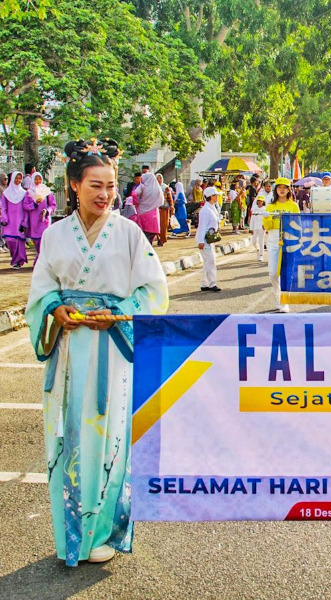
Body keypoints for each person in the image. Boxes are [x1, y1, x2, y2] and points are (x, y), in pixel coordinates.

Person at [25, 138, 168, 566]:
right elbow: (41, 291)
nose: (104, 194)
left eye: (109, 185)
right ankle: (71, 535)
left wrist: (120, 312)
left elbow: (156, 292)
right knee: (68, 440)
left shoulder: (129, 233)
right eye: (94, 185)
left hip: (112, 353)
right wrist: (56, 309)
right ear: (73, 186)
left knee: (110, 443)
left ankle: (102, 531)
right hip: (68, 352)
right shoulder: (53, 235)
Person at [264, 177, 300, 312]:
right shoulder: (271, 206)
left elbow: (298, 224)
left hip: (289, 240)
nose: (282, 190)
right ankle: (277, 296)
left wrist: (298, 240)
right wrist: (266, 217)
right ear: (276, 190)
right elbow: (267, 226)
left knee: (286, 272)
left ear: (289, 190)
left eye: (284, 187)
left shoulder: (293, 206)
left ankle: (284, 301)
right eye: (279, 187)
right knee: (273, 273)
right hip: (274, 240)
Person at [23, 172, 56, 263]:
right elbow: (25, 206)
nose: (38, 181)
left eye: (39, 179)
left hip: (44, 221)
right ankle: (40, 260)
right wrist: (34, 204)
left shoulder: (47, 192)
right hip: (34, 222)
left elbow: (52, 205)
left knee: (45, 241)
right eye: (36, 179)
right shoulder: (29, 192)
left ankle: (41, 262)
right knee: (37, 243)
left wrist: (47, 211)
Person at [196, 186, 222, 292]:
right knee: (211, 261)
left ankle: (204, 283)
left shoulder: (212, 207)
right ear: (211, 196)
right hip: (205, 239)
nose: (217, 197)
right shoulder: (206, 210)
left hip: (210, 238)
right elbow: (202, 226)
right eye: (215, 195)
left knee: (208, 261)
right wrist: (201, 241)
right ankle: (212, 283)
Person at [1, 171, 29, 268]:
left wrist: (25, 222)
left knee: (19, 242)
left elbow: (26, 209)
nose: (18, 180)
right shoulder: (6, 194)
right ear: (12, 179)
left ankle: (19, 261)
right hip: (9, 221)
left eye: (20, 178)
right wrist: (4, 218)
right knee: (10, 241)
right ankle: (14, 258)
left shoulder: (24, 193)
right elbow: (3, 207)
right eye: (16, 178)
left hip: (20, 221)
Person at [133, 172, 162, 244]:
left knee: (145, 234)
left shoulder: (143, 186)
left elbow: (134, 194)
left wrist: (136, 203)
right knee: (152, 234)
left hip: (143, 212)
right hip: (154, 213)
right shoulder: (157, 188)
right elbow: (161, 200)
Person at [250, 194, 268, 262]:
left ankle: (261, 255)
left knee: (261, 241)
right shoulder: (255, 209)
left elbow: (266, 219)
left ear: (263, 202)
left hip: (262, 227)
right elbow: (252, 219)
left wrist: (266, 227)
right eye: (258, 201)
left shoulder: (265, 209)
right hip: (255, 227)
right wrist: (251, 228)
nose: (260, 202)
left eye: (261, 201)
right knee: (254, 241)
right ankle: (257, 249)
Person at [156, 174, 173, 246]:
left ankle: (162, 240)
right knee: (157, 225)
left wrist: (172, 206)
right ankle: (158, 238)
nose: (159, 179)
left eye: (160, 178)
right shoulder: (153, 187)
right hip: (156, 209)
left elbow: (169, 198)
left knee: (163, 225)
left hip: (164, 209)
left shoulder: (165, 187)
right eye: (157, 178)